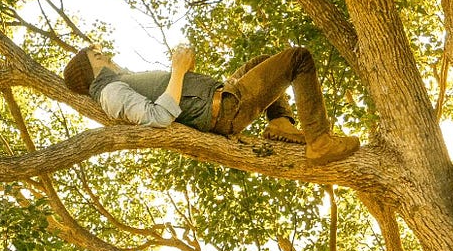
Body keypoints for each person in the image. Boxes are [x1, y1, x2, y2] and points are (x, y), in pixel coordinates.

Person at [61, 43, 360, 164]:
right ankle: (319, 142)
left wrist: (183, 73)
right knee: (299, 58)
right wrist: (178, 71)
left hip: (221, 97)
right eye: (98, 57)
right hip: (224, 110)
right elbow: (158, 117)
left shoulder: (120, 81)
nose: (107, 55)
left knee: (261, 62)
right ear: (93, 72)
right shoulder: (111, 93)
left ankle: (280, 122)